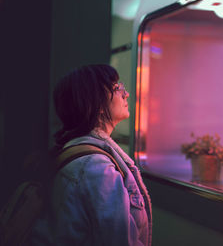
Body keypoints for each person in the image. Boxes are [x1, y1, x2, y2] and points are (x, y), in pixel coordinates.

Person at [30, 64, 152, 245]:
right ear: (97, 103)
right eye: (116, 88)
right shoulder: (97, 168)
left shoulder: (74, 151)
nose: (125, 94)